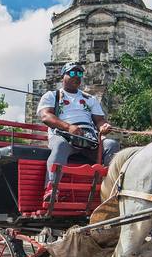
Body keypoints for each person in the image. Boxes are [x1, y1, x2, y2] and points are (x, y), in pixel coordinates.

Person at [37, 62, 119, 198]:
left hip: (88, 138)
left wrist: (103, 126)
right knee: (60, 145)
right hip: (63, 136)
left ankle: (109, 187)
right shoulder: (52, 95)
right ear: (63, 76)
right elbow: (46, 116)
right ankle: (52, 188)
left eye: (79, 73)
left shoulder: (89, 98)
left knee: (111, 145)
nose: (77, 76)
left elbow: (99, 120)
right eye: (72, 73)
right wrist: (68, 127)